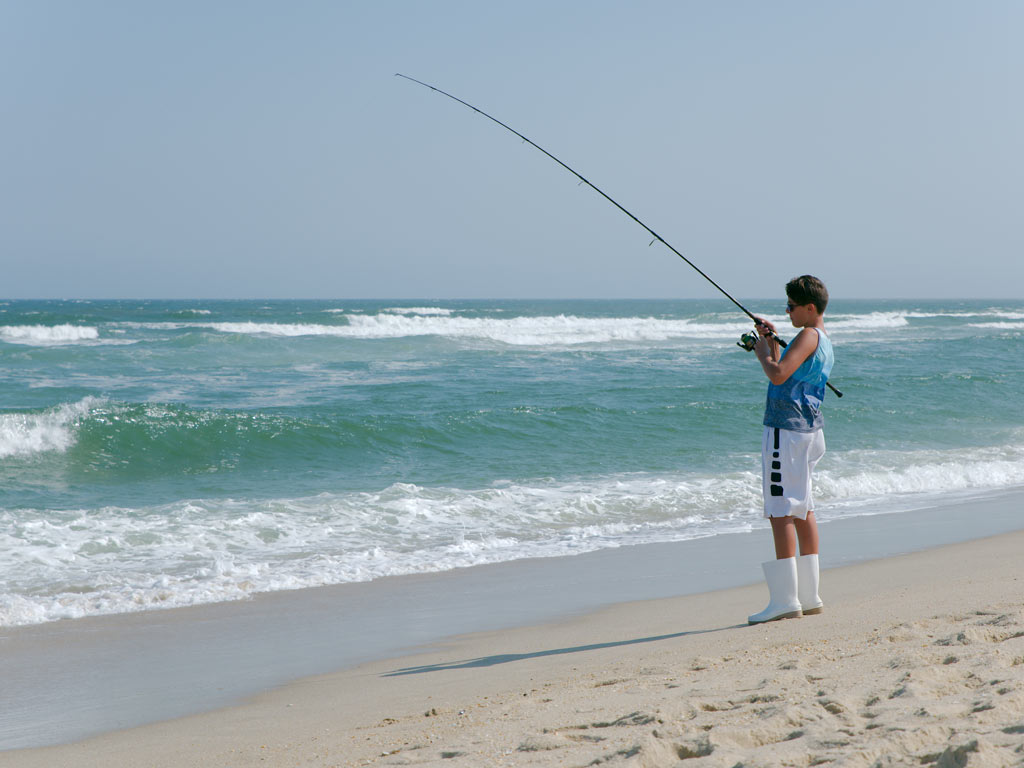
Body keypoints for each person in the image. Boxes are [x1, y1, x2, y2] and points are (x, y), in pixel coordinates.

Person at [747, 275, 834, 625]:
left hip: (788, 431)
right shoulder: (822, 338)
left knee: (780, 511)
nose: (787, 311)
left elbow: (779, 375)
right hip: (809, 430)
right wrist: (771, 343)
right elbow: (788, 368)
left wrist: (760, 354)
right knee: (804, 509)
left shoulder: (808, 334)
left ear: (809, 308)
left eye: (792, 306)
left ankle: (785, 601)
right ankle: (809, 596)